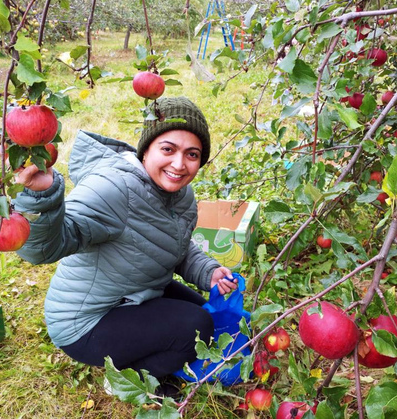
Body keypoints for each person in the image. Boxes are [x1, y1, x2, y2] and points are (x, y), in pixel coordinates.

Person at [13, 96, 238, 381]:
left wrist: (208, 271)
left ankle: (149, 351)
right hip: (85, 322)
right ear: (146, 150)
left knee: (200, 310)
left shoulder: (180, 194)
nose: (179, 164)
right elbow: (44, 249)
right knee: (197, 326)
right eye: (168, 149)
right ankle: (136, 379)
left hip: (131, 292)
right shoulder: (113, 188)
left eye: (192, 154)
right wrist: (40, 197)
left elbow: (173, 243)